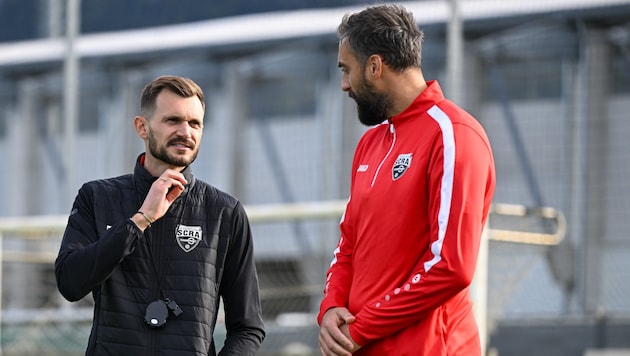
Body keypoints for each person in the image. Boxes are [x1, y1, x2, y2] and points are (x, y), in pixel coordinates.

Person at [317, 4, 496, 356]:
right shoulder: (370, 143)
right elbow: (348, 245)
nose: (344, 85)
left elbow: (451, 266)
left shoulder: (453, 134)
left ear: (374, 66)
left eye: (346, 70)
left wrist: (363, 328)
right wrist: (331, 308)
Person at [55, 75, 265, 355]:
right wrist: (139, 220)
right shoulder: (97, 197)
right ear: (142, 127)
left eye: (195, 123)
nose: (185, 132)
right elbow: (70, 284)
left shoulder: (225, 212)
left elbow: (248, 327)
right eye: (172, 121)